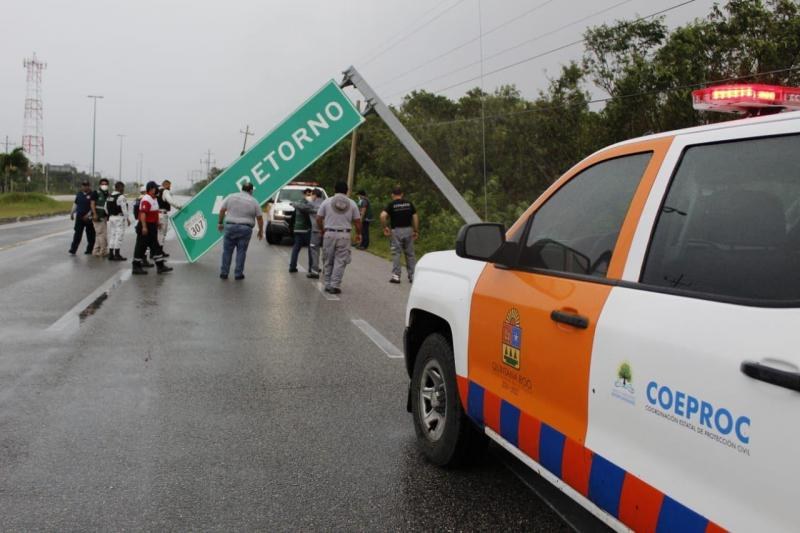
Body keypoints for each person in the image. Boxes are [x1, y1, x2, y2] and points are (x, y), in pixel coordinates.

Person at [316, 181, 361, 294]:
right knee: (340, 261)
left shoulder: (326, 202)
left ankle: (327, 284)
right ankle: (334, 285)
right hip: (344, 235)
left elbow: (318, 218)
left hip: (329, 233)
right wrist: (358, 234)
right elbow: (357, 221)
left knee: (328, 259)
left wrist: (322, 229)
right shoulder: (352, 203)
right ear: (347, 190)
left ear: (334, 189)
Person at [217, 181, 263, 280]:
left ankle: (224, 273)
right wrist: (260, 231)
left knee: (227, 251)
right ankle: (238, 274)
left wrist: (220, 223)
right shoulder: (254, 201)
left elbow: (222, 210)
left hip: (230, 227)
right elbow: (259, 217)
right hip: (245, 229)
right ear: (251, 191)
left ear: (242, 189)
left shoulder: (231, 197)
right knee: (241, 251)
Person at [132, 181, 173, 275]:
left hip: (152, 226)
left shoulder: (154, 199)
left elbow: (155, 213)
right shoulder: (146, 199)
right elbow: (143, 214)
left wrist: (157, 223)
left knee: (156, 247)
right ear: (151, 189)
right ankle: (136, 266)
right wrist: (144, 227)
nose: (157, 190)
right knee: (141, 247)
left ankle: (160, 266)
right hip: (146, 226)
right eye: (156, 188)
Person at [381, 186, 419, 284]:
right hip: (408, 230)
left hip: (396, 231)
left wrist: (385, 227)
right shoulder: (409, 203)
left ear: (392, 195)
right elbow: (415, 217)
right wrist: (415, 230)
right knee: (410, 253)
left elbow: (383, 216)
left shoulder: (391, 204)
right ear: (402, 194)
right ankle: (412, 276)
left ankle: (396, 276)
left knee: (396, 253)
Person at [288, 188, 313, 273]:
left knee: (296, 248)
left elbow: (293, 216)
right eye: (308, 194)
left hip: (297, 228)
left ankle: (292, 266)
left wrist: (292, 227)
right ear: (304, 194)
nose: (309, 196)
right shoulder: (307, 204)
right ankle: (311, 267)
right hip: (305, 229)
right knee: (311, 249)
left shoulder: (298, 203)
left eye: (310, 194)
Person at [68, 180, 95, 255]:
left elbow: (93, 206)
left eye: (86, 185)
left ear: (89, 186)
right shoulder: (79, 194)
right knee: (77, 234)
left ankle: (89, 250)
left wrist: (88, 214)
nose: (85, 187)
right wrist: (72, 213)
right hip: (79, 216)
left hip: (89, 217)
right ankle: (73, 249)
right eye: (83, 185)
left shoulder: (92, 194)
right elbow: (75, 204)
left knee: (90, 234)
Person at [157, 179, 182, 256]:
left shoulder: (157, 191)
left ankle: (154, 252)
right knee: (162, 233)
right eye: (169, 186)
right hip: (162, 214)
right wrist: (179, 206)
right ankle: (159, 251)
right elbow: (170, 201)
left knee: (157, 234)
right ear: (166, 185)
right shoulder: (165, 191)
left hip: (156, 214)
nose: (170, 188)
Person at [106, 181, 131, 261]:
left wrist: (109, 214)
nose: (123, 189)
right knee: (119, 236)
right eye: (122, 188)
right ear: (120, 188)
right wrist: (127, 218)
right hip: (119, 218)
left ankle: (111, 254)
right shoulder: (121, 197)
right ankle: (117, 254)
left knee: (112, 235)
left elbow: (105, 208)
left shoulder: (109, 196)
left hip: (111, 218)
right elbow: (124, 209)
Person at [306, 188, 325, 279]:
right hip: (327, 231)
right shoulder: (326, 203)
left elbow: (301, 207)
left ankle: (315, 271)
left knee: (314, 250)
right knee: (326, 251)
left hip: (316, 230)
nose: (311, 197)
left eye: (311, 195)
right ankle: (326, 270)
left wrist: (293, 204)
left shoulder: (311, 204)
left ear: (314, 195)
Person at [90, 178, 111, 257]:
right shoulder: (96, 193)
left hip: (104, 217)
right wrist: (94, 214)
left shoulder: (107, 194)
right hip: (97, 216)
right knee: (102, 234)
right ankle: (103, 251)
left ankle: (95, 251)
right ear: (99, 185)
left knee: (99, 234)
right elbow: (92, 204)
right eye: (102, 184)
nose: (104, 185)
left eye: (105, 184)